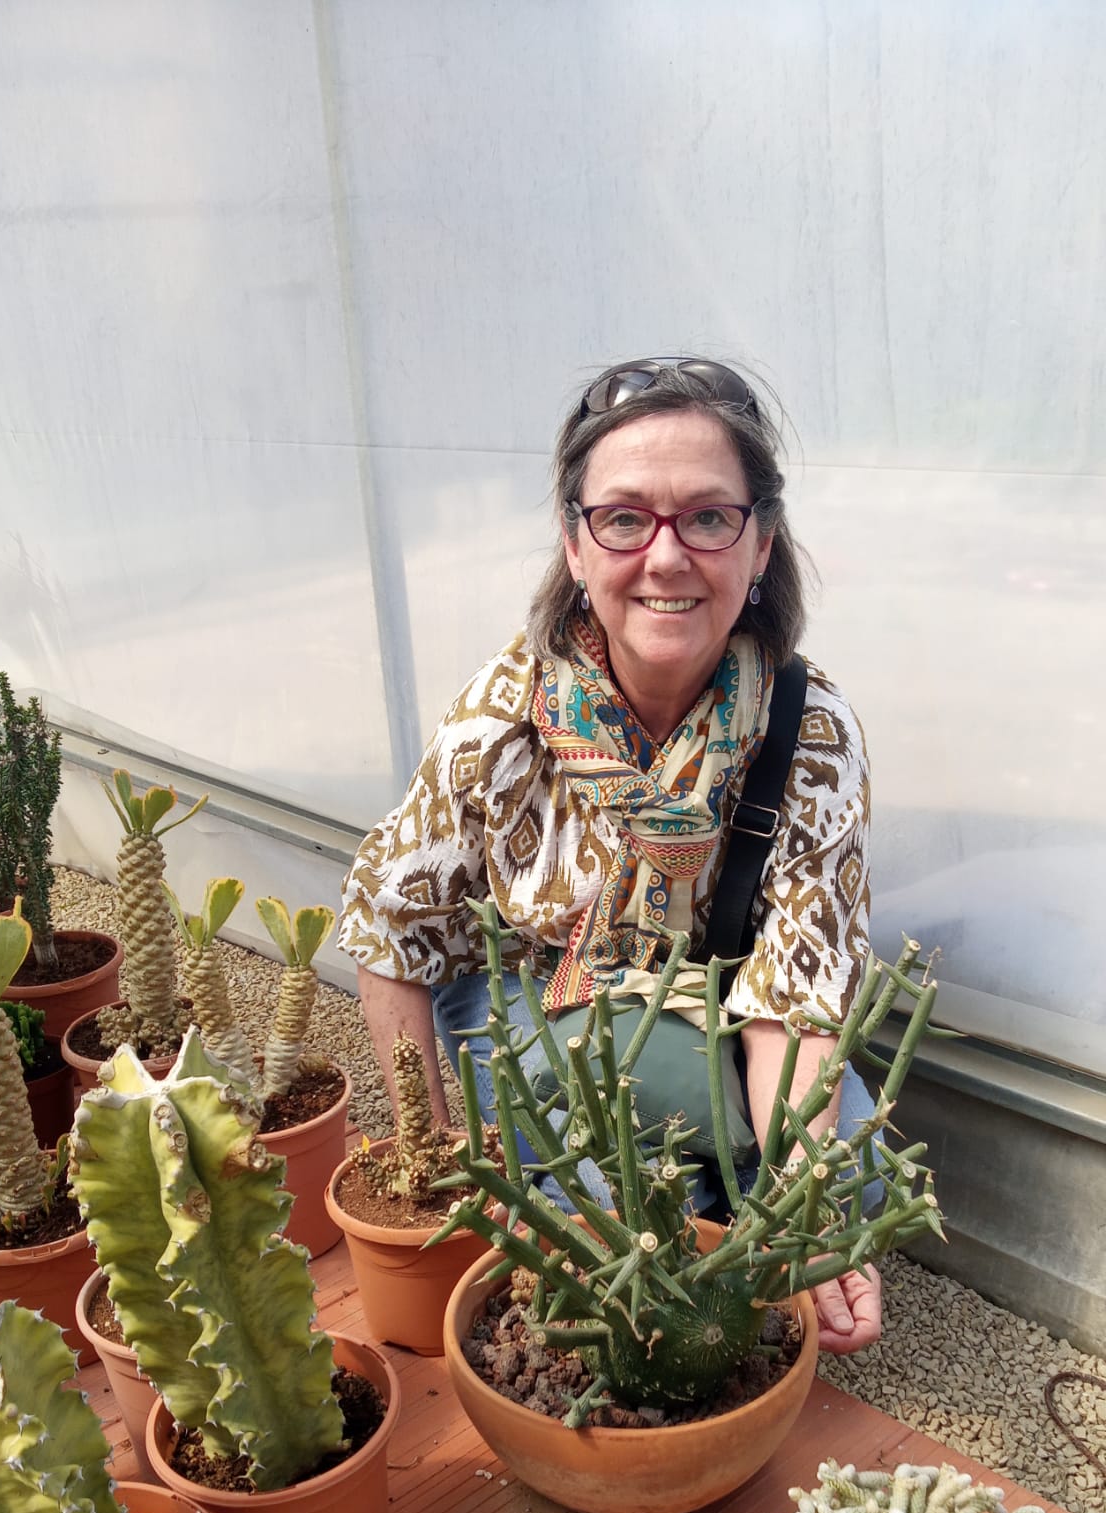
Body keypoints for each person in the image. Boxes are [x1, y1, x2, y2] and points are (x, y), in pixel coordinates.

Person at [338, 357, 879, 1354]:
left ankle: (712, 1200)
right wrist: (438, 1153)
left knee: (847, 1171)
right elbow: (392, 932)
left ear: (760, 543)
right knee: (619, 1200)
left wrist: (806, 1206)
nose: (666, 558)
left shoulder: (809, 730)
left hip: (719, 1004)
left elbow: (796, 995)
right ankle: (638, 1192)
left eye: (708, 517)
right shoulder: (503, 719)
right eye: (625, 519)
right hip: (535, 998)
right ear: (575, 544)